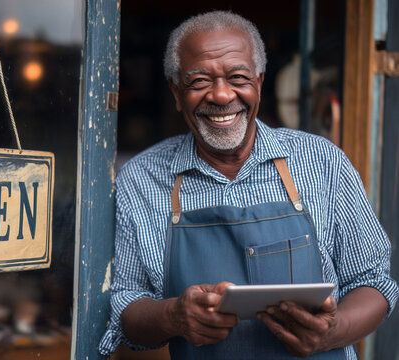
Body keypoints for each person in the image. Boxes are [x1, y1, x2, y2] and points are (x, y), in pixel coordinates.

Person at [98, 10, 398, 359]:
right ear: (176, 93)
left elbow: (373, 281)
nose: (222, 96)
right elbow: (124, 305)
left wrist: (333, 332)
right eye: (199, 82)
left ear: (259, 81)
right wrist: (172, 317)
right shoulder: (141, 180)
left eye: (237, 77)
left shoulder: (322, 161)